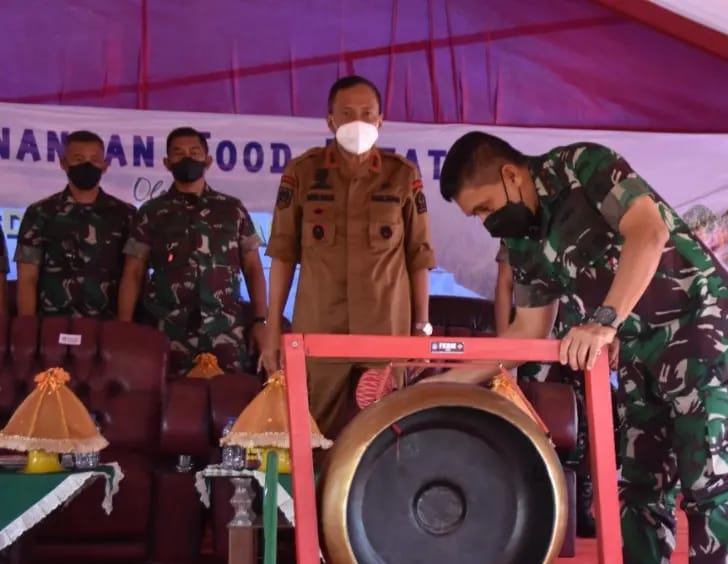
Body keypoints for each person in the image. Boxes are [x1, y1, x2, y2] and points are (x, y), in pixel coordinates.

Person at [431, 132, 728, 564]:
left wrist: (602, 320)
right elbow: (525, 333)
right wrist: (433, 386)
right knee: (638, 483)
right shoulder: (524, 242)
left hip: (699, 330)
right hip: (635, 350)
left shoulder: (583, 167)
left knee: (711, 480)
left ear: (511, 176)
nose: (486, 221)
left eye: (484, 206)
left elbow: (648, 232)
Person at [261, 75, 436, 438]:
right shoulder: (303, 172)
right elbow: (282, 254)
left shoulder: (402, 175)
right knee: (312, 435)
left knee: (385, 437)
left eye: (367, 113)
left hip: (385, 335)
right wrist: (272, 329)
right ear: (330, 121)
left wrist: (421, 329)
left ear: (380, 120)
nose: (358, 121)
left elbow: (419, 256)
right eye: (347, 113)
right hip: (319, 331)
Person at [117, 126, 268, 376]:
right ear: (167, 163)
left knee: (228, 408)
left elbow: (252, 267)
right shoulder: (151, 212)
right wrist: (123, 327)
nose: (187, 158)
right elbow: (133, 272)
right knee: (169, 406)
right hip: (168, 332)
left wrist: (260, 321)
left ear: (208, 161)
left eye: (194, 152)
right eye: (178, 153)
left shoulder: (232, 209)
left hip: (225, 331)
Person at [495, 245, 598, 538]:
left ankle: (581, 505)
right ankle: (532, 504)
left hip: (582, 331)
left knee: (587, 414)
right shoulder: (519, 217)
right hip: (535, 333)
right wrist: (504, 348)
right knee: (529, 413)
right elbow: (504, 283)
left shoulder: (582, 219)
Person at [14, 130, 134, 318]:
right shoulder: (39, 212)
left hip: (108, 327)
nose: (87, 165)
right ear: (63, 163)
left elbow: (134, 275)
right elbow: (27, 277)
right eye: (78, 159)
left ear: (105, 165)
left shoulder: (125, 214)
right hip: (52, 326)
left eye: (94, 159)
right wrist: (27, 328)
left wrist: (125, 328)